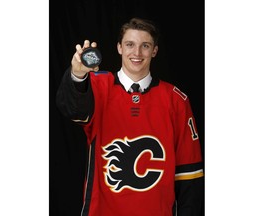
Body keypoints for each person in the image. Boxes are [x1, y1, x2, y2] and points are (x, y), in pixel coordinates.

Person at [56, 17, 204, 216]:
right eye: (130, 44)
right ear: (119, 48)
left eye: (145, 45)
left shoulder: (175, 100)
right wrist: (77, 74)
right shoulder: (98, 86)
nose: (137, 53)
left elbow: (189, 173)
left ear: (155, 50)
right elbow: (72, 108)